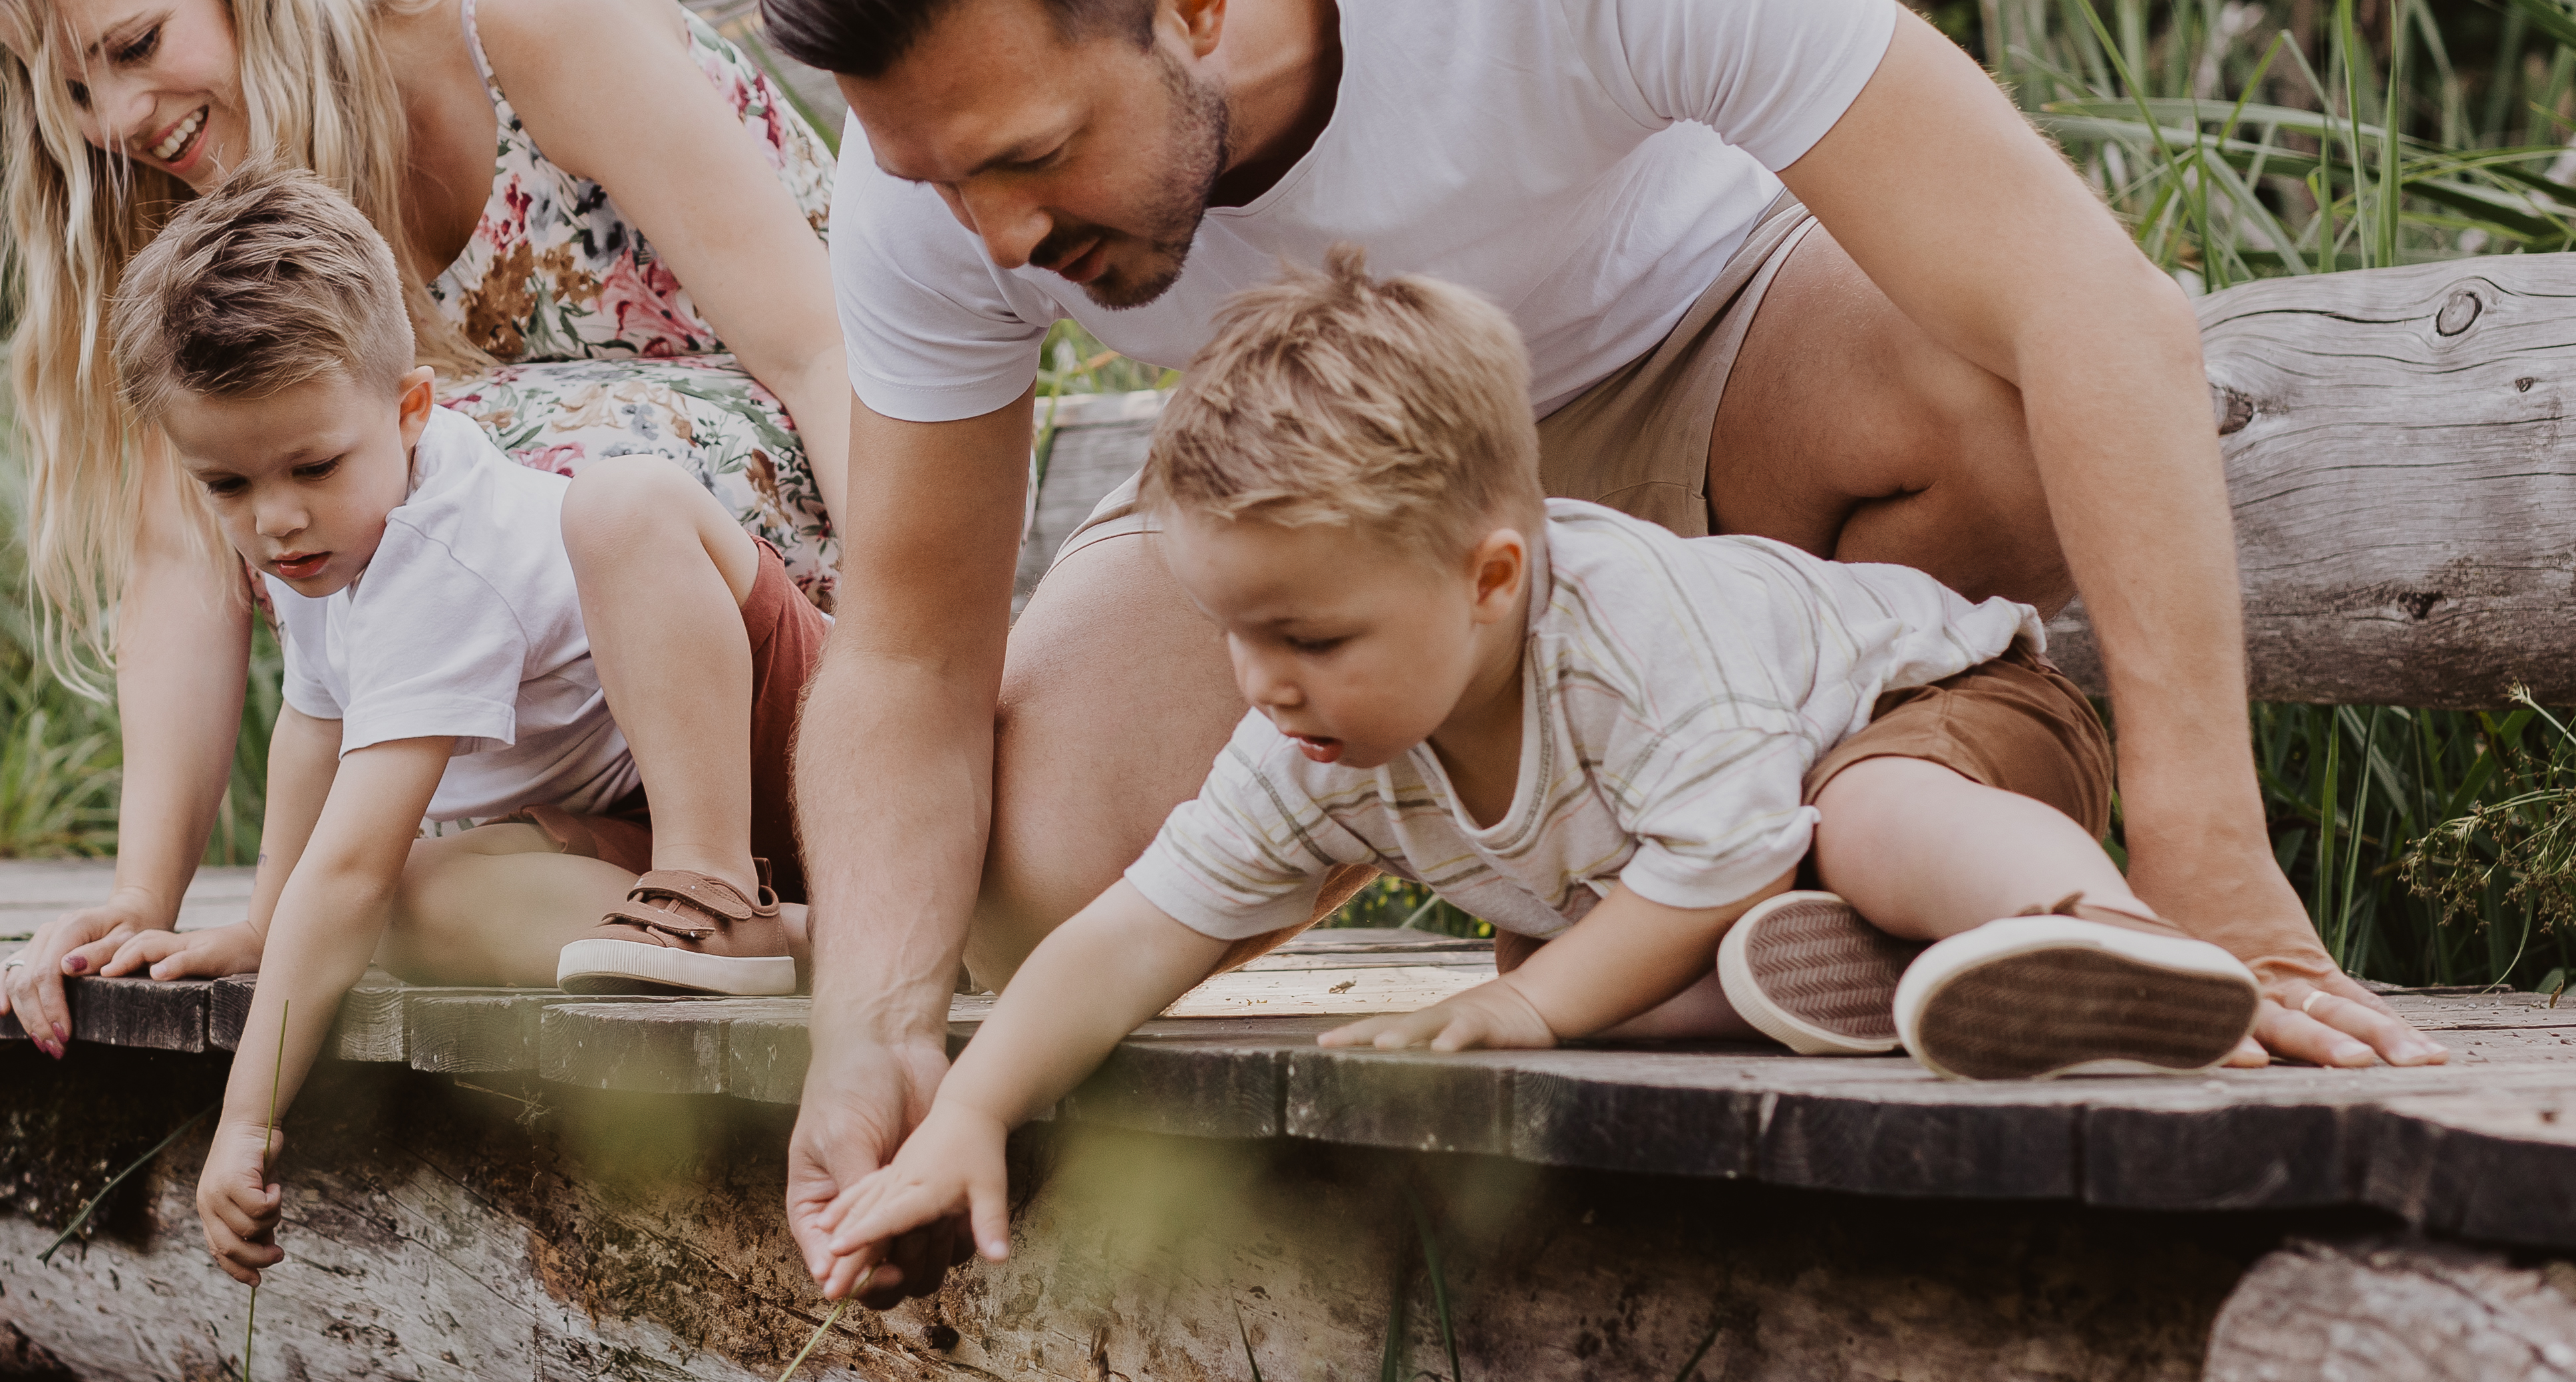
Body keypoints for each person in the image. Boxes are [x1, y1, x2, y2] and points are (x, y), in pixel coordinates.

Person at [754, 0, 2443, 1302]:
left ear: (1191, 5)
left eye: (1033, 160)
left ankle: (1873, 819)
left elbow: (2093, 305)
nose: (988, 235)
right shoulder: (947, 175)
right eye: (934, 180)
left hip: (1711, 370)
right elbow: (905, 652)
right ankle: (1731, 915)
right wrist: (878, 1022)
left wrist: (2213, 860)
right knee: (1040, 868)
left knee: (1994, 412)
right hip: (1348, 469)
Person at [816, 255, 2261, 1299]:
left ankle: (2096, 930)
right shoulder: (1312, 735)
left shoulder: (1631, 636)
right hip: (1739, 858)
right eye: (1238, 634)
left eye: (1310, 634)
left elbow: (1735, 844)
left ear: (1492, 577)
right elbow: (1133, 935)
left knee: (1828, 837)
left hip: (1952, 725)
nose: (1263, 683)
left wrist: (1517, 998)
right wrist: (973, 1109)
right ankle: (1893, 968)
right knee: (1588, 957)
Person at [0, 0, 849, 1052]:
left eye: (137, 44)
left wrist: (921, 685)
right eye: (72, 87)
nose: (117, 120)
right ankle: (751, 924)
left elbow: (826, 352)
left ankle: (754, 856)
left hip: (749, 599)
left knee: (441, 482)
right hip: (575, 737)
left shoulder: (520, 22)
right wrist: (138, 902)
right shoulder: (185, 207)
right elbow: (176, 546)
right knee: (391, 895)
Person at [98, 172, 833, 1281]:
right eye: (228, 485)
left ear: (410, 409)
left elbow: (342, 864)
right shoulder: (316, 542)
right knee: (403, 910)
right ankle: (804, 936)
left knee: (621, 504)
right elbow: (314, 727)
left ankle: (717, 889)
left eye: (312, 465)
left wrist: (246, 1116)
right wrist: (263, 927)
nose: (276, 516)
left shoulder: (436, 549)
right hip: (621, 825)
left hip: (804, 743)